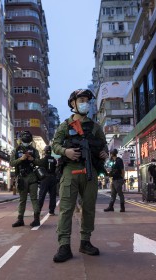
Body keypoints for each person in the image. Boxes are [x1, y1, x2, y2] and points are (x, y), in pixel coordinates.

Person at [52, 89, 108, 262]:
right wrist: (66, 151)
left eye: (87, 100)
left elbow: (104, 145)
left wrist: (104, 152)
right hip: (70, 170)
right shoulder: (65, 125)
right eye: (81, 100)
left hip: (89, 170)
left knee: (89, 208)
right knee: (66, 209)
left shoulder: (95, 126)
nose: (85, 103)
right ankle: (64, 245)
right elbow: (55, 145)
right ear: (73, 104)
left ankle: (85, 242)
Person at [10, 130, 42, 228]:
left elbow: (39, 163)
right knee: (23, 199)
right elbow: (11, 163)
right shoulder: (16, 150)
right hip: (21, 177)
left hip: (32, 177)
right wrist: (21, 159)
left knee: (32, 199)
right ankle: (20, 219)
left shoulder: (34, 151)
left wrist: (32, 160)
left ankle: (36, 219)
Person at [38, 145, 58, 215]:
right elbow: (56, 169)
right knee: (53, 195)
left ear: (45, 151)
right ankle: (51, 211)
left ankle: (38, 210)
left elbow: (38, 168)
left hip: (45, 178)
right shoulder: (54, 160)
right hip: (53, 178)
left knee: (42, 195)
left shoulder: (43, 160)